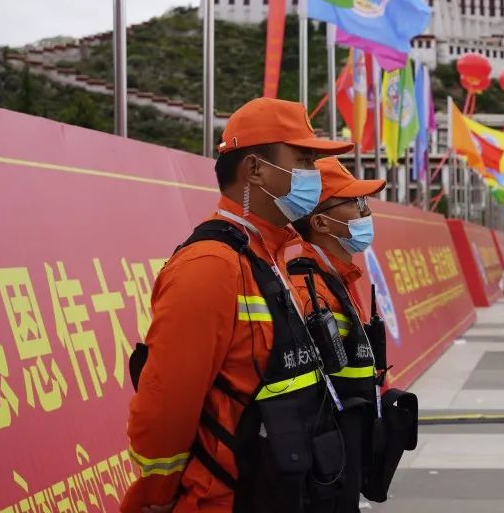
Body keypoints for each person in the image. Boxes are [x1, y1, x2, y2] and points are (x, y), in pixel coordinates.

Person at [123, 98, 353, 513]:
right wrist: (157, 496)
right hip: (226, 497)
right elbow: (165, 405)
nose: (313, 177)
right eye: (302, 160)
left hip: (281, 489)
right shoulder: (210, 266)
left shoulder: (270, 256)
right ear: (255, 170)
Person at [284, 156, 389, 512]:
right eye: (355, 203)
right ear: (319, 222)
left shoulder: (337, 278)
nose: (365, 212)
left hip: (344, 450)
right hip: (323, 462)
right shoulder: (305, 287)